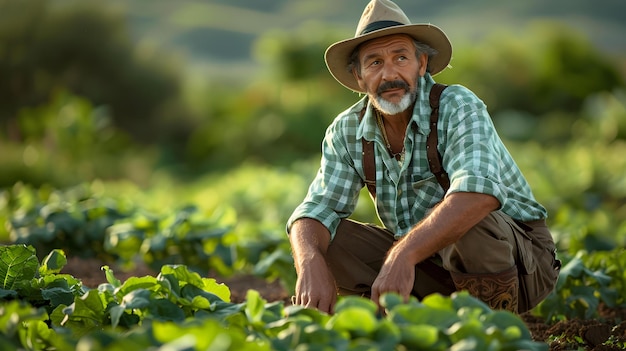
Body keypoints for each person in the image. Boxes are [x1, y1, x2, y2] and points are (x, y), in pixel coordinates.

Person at [286, 0, 560, 315]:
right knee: (323, 240)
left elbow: (479, 195)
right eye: (374, 63)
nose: (389, 74)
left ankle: (491, 330)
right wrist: (309, 263)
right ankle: (407, 320)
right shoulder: (347, 130)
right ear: (359, 77)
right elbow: (315, 209)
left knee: (471, 219)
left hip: (522, 265)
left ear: (422, 64)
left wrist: (402, 254)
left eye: (400, 58)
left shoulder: (457, 105)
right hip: (427, 266)